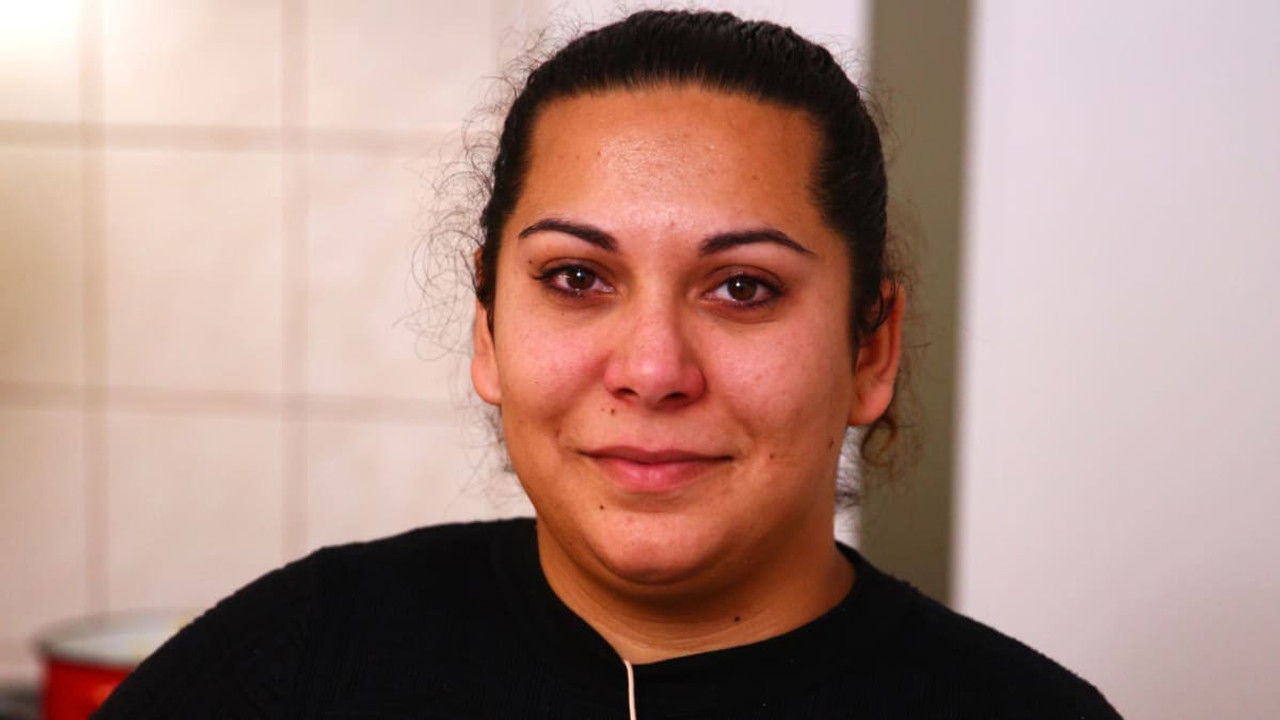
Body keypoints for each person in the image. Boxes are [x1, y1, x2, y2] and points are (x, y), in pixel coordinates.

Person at [94, 10, 1122, 719]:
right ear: (487, 330)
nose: (652, 369)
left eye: (743, 288)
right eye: (578, 278)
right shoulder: (296, 663)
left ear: (870, 349)